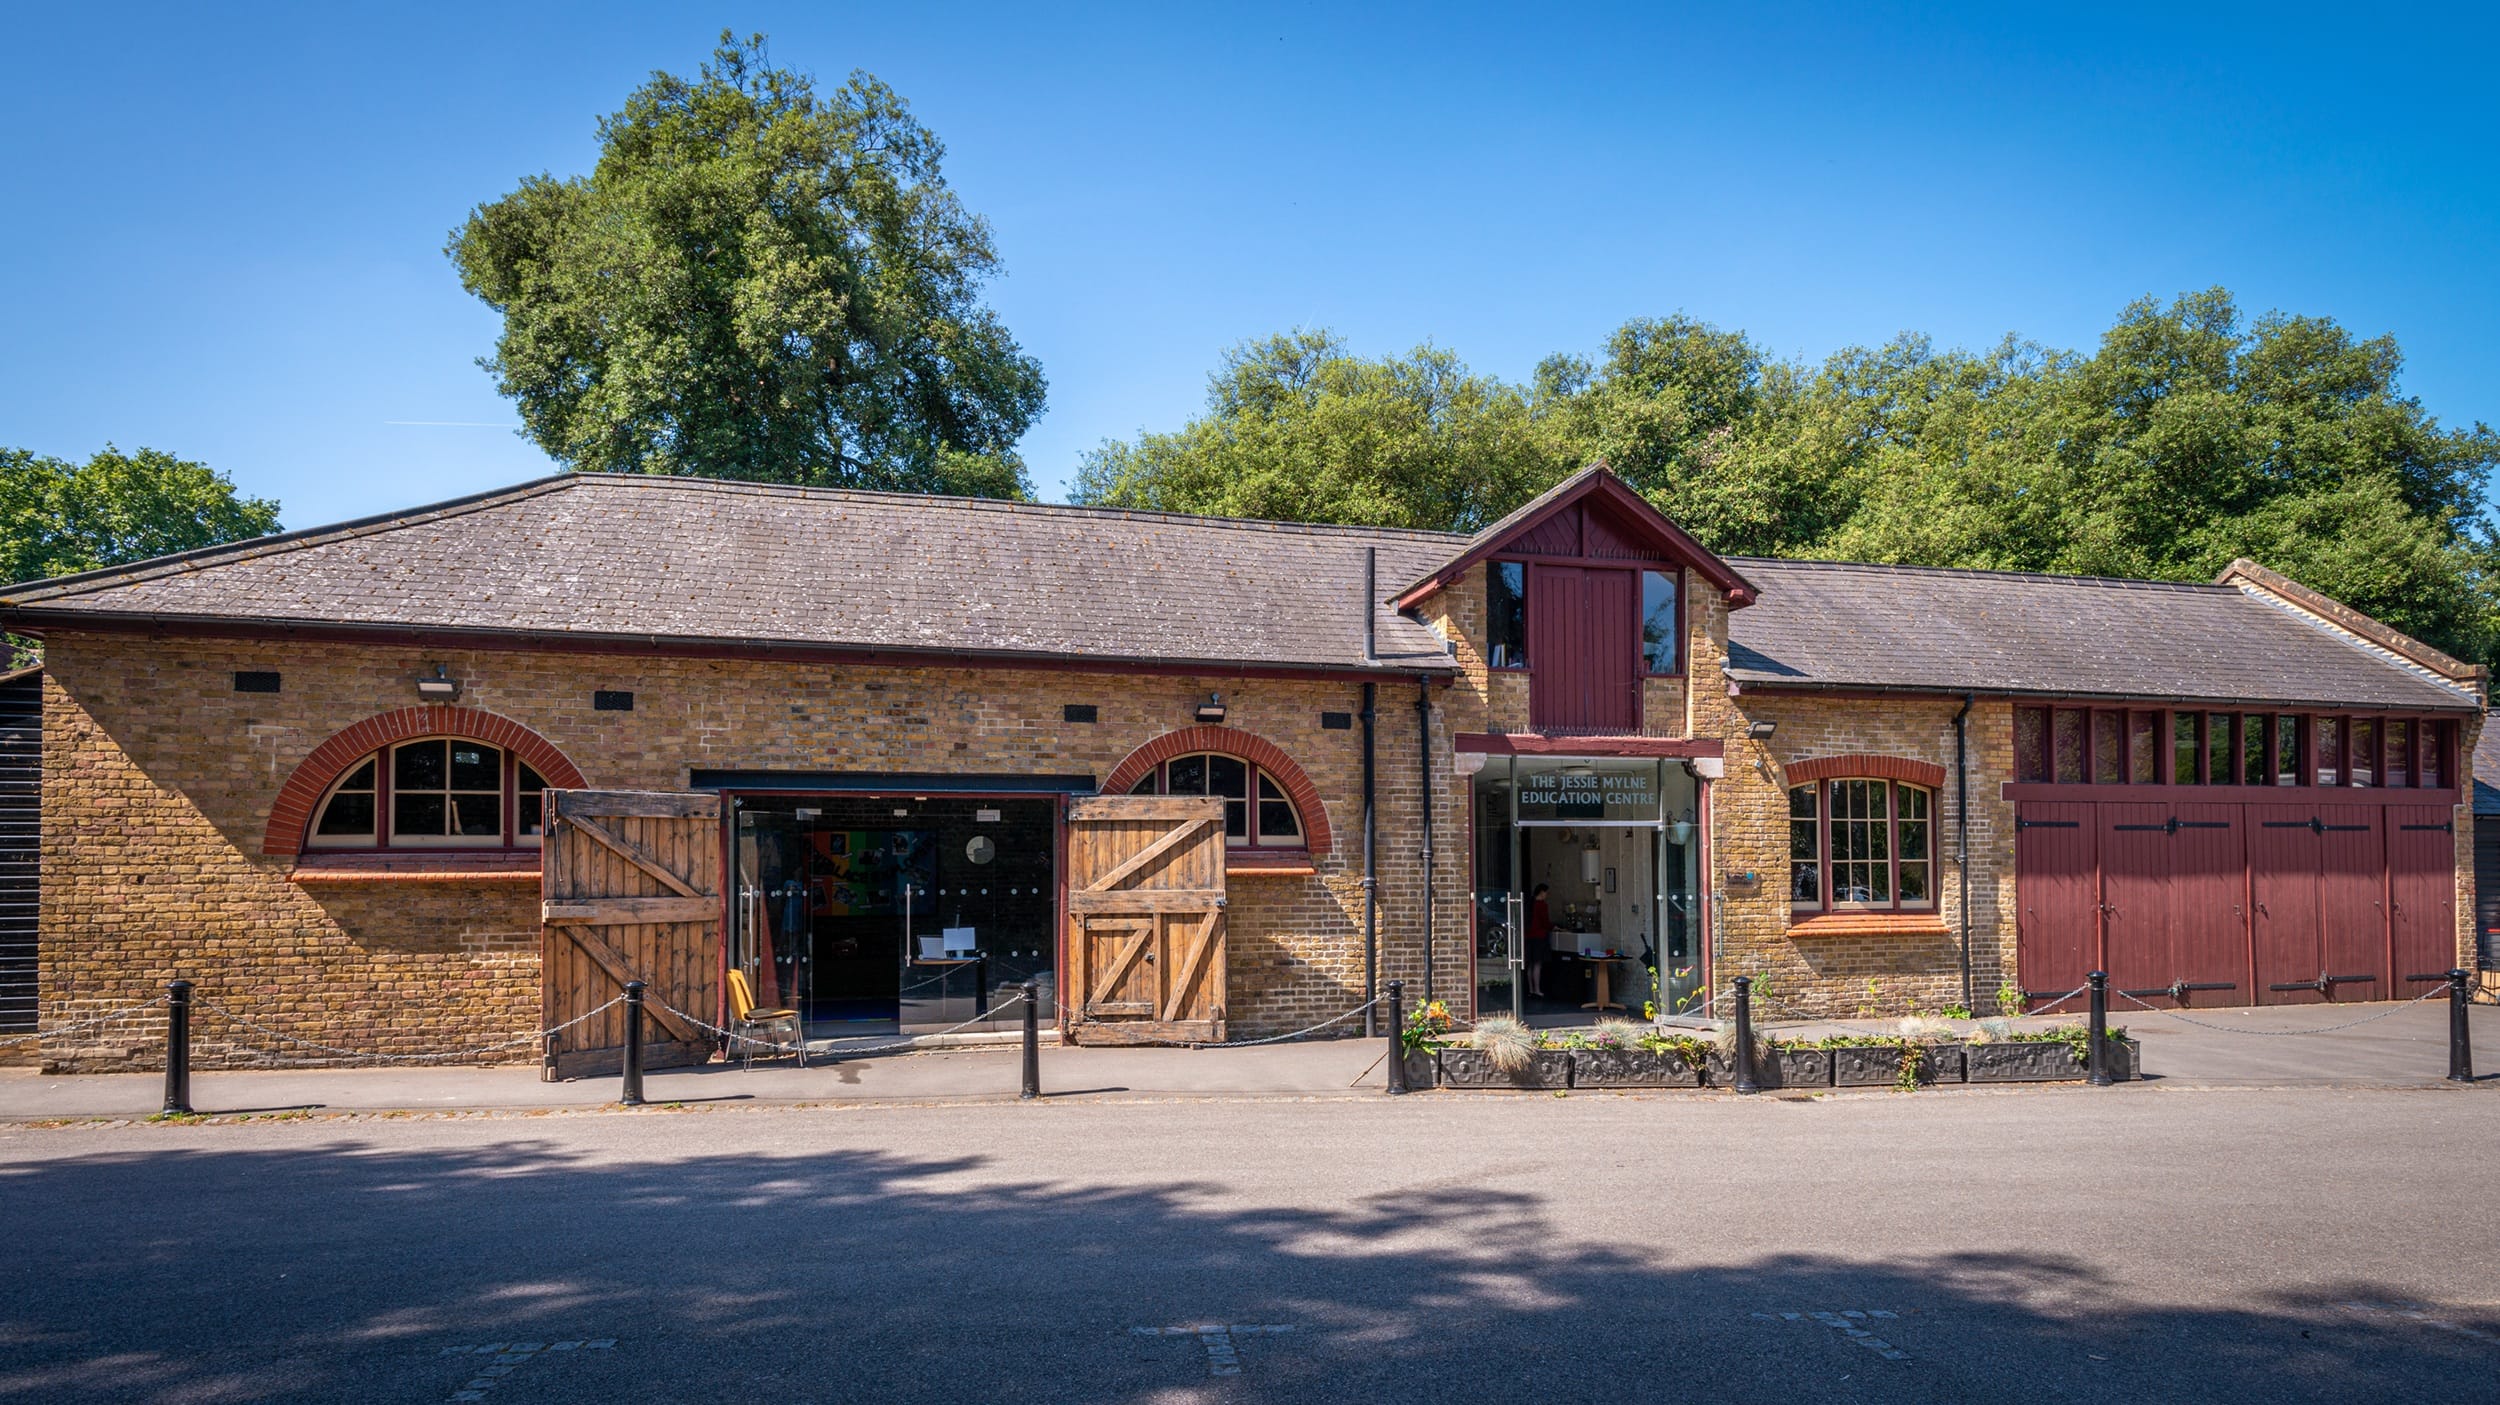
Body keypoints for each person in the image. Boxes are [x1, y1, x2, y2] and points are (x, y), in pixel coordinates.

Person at [1525, 883, 1553, 999]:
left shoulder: (1530, 904)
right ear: (1542, 892)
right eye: (1546, 892)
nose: (1547, 895)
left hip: (1529, 936)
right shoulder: (1542, 905)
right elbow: (1545, 922)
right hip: (1539, 936)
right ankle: (1537, 989)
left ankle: (1531, 989)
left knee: (1530, 964)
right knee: (1537, 964)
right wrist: (1553, 927)